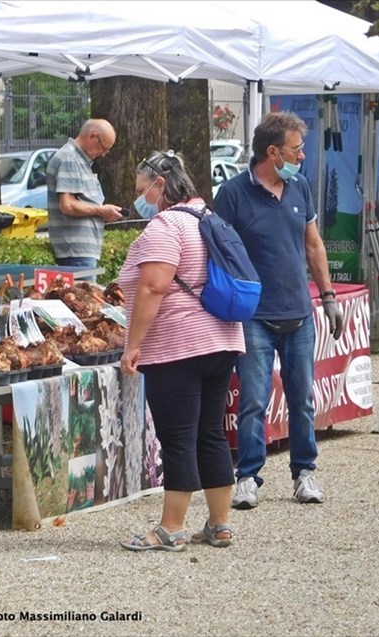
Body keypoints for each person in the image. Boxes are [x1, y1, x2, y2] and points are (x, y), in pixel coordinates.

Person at [213, 111, 344, 509]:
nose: (302, 156)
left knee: (302, 398)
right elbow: (218, 254)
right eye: (296, 149)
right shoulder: (232, 195)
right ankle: (248, 477)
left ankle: (305, 473)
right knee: (253, 400)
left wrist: (328, 295)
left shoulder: (299, 187)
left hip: (299, 312)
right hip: (254, 315)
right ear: (272, 152)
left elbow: (314, 244)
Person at [117, 150, 245, 552]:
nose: (139, 199)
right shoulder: (208, 218)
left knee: (177, 437)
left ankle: (170, 528)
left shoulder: (165, 226)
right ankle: (219, 524)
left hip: (177, 344)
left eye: (142, 190)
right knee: (211, 432)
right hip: (222, 338)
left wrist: (133, 346)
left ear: (159, 185)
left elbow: (153, 287)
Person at [46, 119, 123, 273]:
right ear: (93, 136)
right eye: (104, 148)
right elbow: (67, 205)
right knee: (83, 296)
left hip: (79, 251)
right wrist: (102, 211)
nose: (103, 154)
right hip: (75, 252)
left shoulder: (80, 160)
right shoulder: (70, 158)